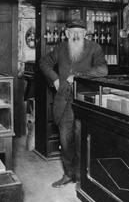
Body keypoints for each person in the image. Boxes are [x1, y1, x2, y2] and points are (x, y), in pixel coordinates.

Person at [39, 18, 108, 188]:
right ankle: (69, 173)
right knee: (66, 138)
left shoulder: (94, 48)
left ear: (85, 33)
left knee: (82, 138)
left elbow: (103, 70)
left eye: (80, 32)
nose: (76, 35)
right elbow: (43, 63)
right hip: (65, 101)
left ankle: (83, 176)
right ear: (67, 34)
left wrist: (76, 76)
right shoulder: (61, 48)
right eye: (72, 32)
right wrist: (55, 79)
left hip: (85, 100)